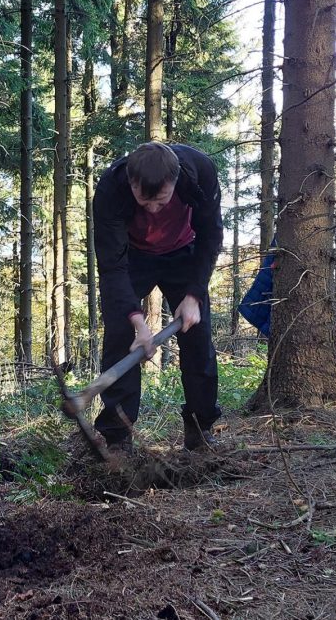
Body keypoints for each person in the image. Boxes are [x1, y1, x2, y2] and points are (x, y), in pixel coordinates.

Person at [93, 142, 223, 452]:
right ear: (131, 182)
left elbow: (211, 235)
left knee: (198, 336)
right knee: (121, 334)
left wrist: (194, 293)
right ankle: (118, 437)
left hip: (185, 253)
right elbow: (112, 266)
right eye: (144, 201)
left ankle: (200, 428)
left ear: (175, 182)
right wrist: (137, 321)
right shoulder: (111, 187)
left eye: (161, 202)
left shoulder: (200, 172)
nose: (152, 209)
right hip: (133, 256)